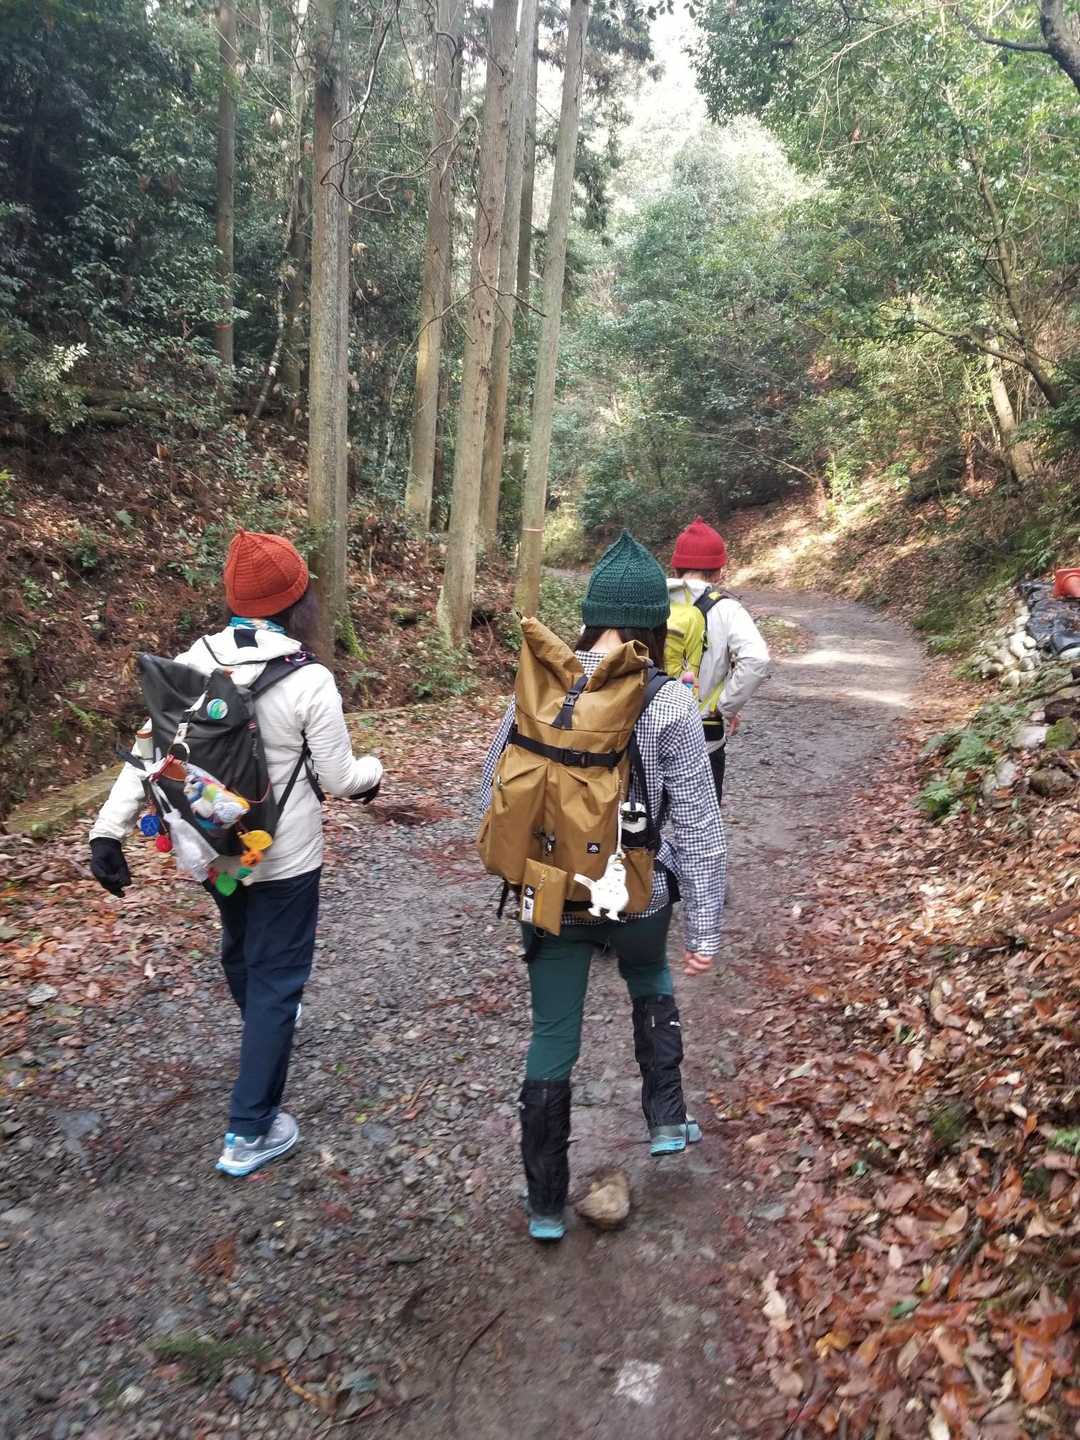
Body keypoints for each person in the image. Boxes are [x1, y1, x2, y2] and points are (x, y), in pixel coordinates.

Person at [87, 530, 383, 1177]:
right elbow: (340, 778)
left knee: (242, 950)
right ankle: (250, 1131)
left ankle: (265, 1028)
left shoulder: (192, 661)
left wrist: (107, 832)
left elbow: (150, 752)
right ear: (299, 600)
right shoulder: (310, 679)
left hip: (214, 851)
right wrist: (375, 771)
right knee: (278, 978)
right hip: (285, 856)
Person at [480, 531, 726, 1241]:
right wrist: (705, 927)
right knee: (649, 976)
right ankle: (667, 1121)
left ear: (589, 618)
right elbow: (700, 827)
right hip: (636, 894)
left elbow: (492, 790)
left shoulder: (538, 688)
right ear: (654, 624)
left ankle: (544, 1204)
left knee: (551, 1033)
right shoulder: (669, 703)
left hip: (551, 892)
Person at [668, 517, 769, 808]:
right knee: (700, 826)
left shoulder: (651, 601)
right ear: (719, 571)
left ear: (675, 567)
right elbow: (757, 659)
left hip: (647, 734)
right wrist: (726, 706)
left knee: (644, 827)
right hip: (703, 735)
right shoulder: (727, 610)